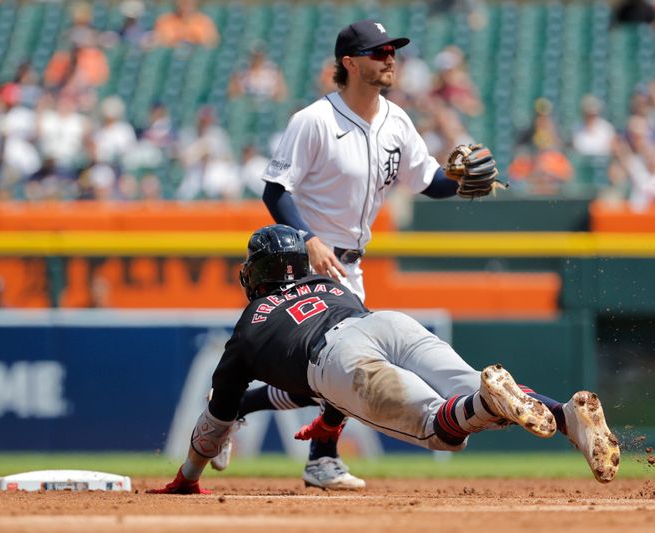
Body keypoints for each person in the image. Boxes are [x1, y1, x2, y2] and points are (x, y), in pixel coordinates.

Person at [208, 19, 501, 490]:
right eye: (378, 52)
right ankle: (310, 452)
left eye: (392, 52)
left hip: (351, 265)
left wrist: (461, 180)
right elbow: (275, 190)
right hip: (303, 267)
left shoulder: (397, 121)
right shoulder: (314, 120)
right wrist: (308, 238)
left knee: (326, 378)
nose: (389, 59)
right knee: (328, 373)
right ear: (349, 62)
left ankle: (255, 419)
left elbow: (427, 182)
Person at [148, 224, 621, 495]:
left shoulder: (250, 328)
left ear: (256, 273)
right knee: (475, 388)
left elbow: (214, 422)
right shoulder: (328, 283)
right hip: (383, 323)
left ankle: (485, 402)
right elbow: (308, 389)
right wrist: (294, 411)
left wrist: (188, 475)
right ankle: (564, 417)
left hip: (335, 359)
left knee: (443, 429)